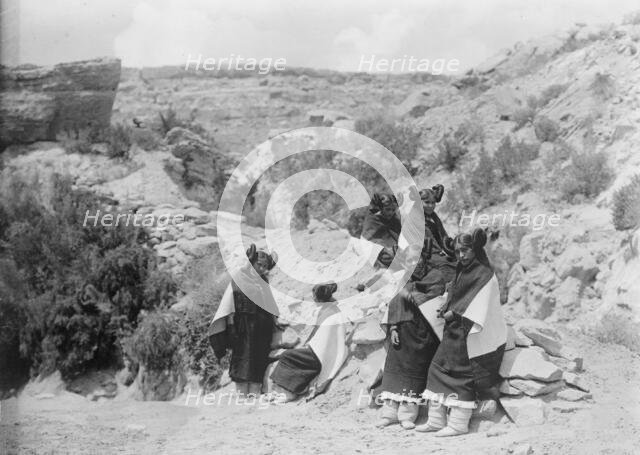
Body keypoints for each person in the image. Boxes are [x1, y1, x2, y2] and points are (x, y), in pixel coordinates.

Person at [418, 228, 507, 436]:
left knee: (462, 376)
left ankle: (458, 424)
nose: (461, 255)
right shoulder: (462, 270)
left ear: (475, 249)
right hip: (455, 332)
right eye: (458, 251)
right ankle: (436, 420)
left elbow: (480, 304)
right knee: (436, 369)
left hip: (472, 334)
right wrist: (446, 306)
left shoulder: (484, 274)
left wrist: (455, 313)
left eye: (466, 250)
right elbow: (455, 293)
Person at [377, 244, 446, 429]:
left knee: (414, 375)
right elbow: (394, 304)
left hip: (423, 335)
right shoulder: (402, 279)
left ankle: (407, 415)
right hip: (401, 332)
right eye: (409, 260)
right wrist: (392, 329)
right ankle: (389, 413)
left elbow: (433, 300)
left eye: (417, 259)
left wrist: (410, 293)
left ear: (424, 258)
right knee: (394, 371)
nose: (414, 263)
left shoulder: (435, 277)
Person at [209, 244, 279, 397]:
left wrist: (274, 323)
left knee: (258, 362)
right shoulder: (239, 278)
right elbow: (228, 306)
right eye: (258, 264)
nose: (261, 268)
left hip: (261, 331)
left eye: (264, 266)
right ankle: (241, 399)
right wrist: (231, 328)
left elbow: (270, 305)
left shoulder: (263, 281)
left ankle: (253, 400)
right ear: (252, 262)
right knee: (242, 363)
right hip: (242, 330)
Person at [269, 282, 348, 402]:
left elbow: (325, 342)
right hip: (319, 351)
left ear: (319, 298)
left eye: (314, 297)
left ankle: (290, 393)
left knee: (287, 355)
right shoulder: (329, 309)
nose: (313, 299)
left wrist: (309, 347)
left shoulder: (331, 313)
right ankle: (280, 391)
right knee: (291, 355)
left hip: (321, 356)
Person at [414, 185, 457, 285]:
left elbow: (442, 235)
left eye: (433, 203)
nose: (431, 206)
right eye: (427, 202)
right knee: (448, 270)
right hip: (425, 256)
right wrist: (440, 252)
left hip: (438, 253)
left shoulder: (432, 215)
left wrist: (451, 247)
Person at [360, 193, 402, 268]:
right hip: (371, 248)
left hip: (388, 247)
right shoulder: (373, 218)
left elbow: (399, 235)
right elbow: (369, 240)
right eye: (388, 209)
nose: (390, 212)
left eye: (393, 210)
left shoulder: (394, 219)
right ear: (381, 208)